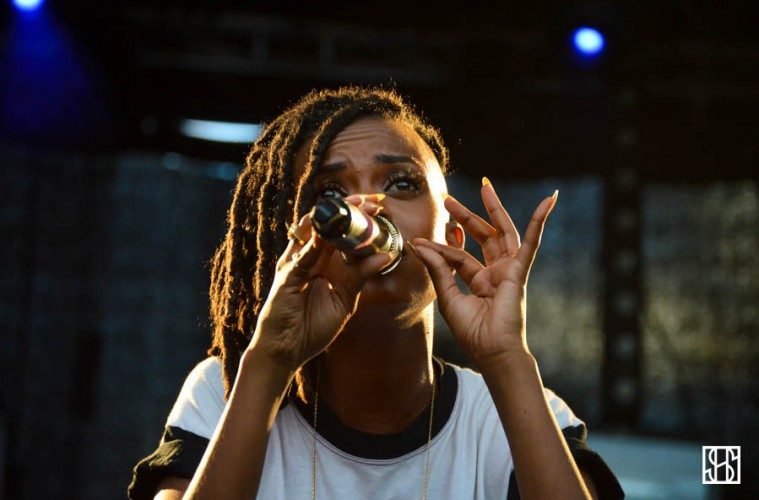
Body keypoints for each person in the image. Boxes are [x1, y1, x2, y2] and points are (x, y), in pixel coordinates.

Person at [129, 86, 623, 499]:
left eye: (402, 183)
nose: (368, 208)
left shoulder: (513, 416)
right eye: (330, 195)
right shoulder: (227, 391)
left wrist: (506, 358)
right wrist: (269, 361)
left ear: (453, 239)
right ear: (297, 243)